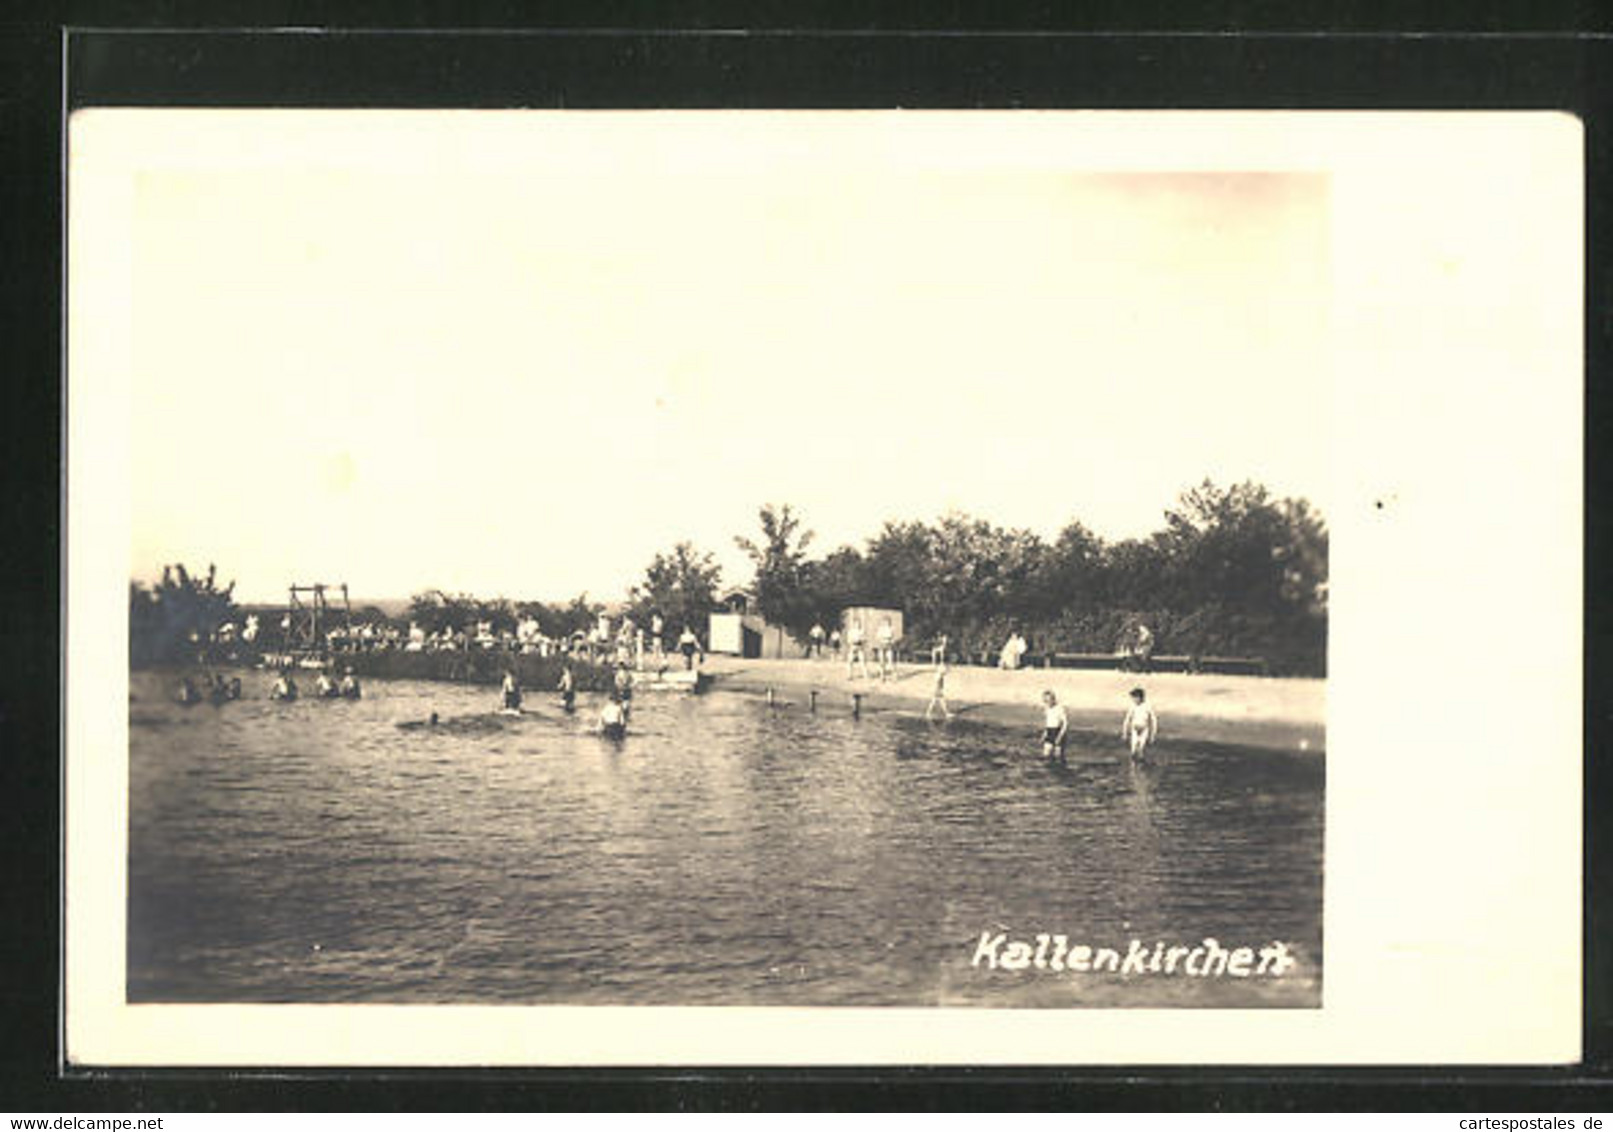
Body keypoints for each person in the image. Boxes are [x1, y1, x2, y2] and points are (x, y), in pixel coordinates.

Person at [1122, 686, 1158, 762]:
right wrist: (1124, 732)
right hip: (1134, 728)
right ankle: (1133, 766)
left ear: (1141, 697)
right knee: (1133, 748)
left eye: (1136, 697)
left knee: (1141, 747)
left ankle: (1140, 766)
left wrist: (1153, 735)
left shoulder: (1147, 706)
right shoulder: (1132, 706)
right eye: (1133, 698)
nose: (1134, 700)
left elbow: (1153, 720)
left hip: (1144, 729)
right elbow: (1127, 719)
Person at [1040, 690, 1069, 762]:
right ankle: (1048, 770)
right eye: (1045, 701)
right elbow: (1047, 722)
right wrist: (1044, 734)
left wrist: (1060, 736)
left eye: (1048, 700)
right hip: (1050, 731)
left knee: (1058, 756)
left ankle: (1060, 771)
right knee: (1046, 754)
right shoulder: (1046, 709)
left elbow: (1065, 724)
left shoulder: (1060, 708)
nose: (1047, 702)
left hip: (1058, 732)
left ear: (1053, 699)